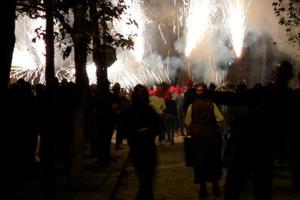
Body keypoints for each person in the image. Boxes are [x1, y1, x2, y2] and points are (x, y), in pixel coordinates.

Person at [209, 60, 297, 200]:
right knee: (262, 189)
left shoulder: (266, 92)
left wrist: (210, 94)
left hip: (249, 145)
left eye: (275, 71)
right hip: (267, 148)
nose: (273, 73)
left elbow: (235, 99)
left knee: (233, 185)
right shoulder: (290, 97)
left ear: (279, 74)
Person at [121, 84, 161, 200]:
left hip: (146, 148)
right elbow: (124, 130)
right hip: (139, 148)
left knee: (146, 178)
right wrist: (137, 132)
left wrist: (148, 131)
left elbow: (158, 127)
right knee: (145, 178)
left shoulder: (149, 110)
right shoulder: (129, 111)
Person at [185, 83, 224, 199]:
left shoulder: (191, 106)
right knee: (214, 160)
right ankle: (215, 187)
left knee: (200, 162)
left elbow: (187, 122)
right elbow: (221, 118)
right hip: (211, 136)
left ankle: (203, 189)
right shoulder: (212, 104)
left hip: (197, 138)